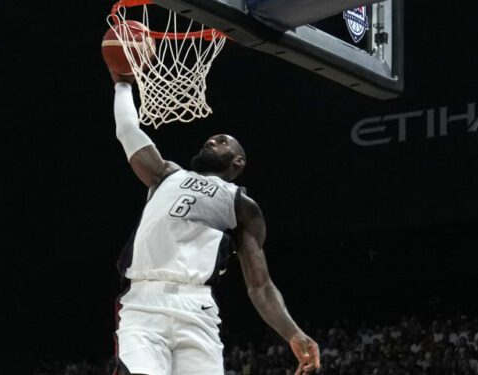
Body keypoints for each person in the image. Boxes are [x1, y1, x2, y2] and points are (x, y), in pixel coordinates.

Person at [108, 71, 321, 375]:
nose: (212, 140)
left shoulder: (243, 207)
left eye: (223, 141)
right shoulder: (166, 174)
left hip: (198, 308)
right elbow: (128, 130)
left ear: (238, 162)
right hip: (144, 302)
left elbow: (260, 286)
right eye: (212, 138)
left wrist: (293, 332)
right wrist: (122, 84)